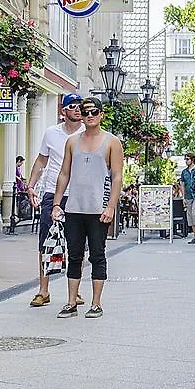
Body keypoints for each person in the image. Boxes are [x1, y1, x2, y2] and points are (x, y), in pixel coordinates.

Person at [51, 97, 123, 319]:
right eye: (86, 112)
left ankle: (96, 303)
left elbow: (117, 176)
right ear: (81, 115)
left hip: (98, 208)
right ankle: (71, 302)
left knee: (97, 255)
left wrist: (111, 206)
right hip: (75, 207)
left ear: (101, 115)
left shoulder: (112, 142)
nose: (90, 115)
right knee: (73, 255)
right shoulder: (72, 142)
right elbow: (64, 173)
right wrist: (56, 203)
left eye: (94, 112)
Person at [26, 93, 84, 308]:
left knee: (76, 243)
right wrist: (31, 186)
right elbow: (42, 161)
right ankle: (43, 290)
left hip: (78, 194)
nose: (77, 109)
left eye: (80, 106)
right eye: (72, 106)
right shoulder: (52, 133)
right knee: (46, 241)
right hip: (52, 193)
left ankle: (74, 291)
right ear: (63, 111)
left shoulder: (87, 134)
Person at [180, 153, 195, 244]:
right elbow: (182, 184)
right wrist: (183, 197)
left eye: (187, 159)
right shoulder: (184, 172)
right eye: (185, 159)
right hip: (188, 196)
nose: (186, 161)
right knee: (190, 217)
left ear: (192, 159)